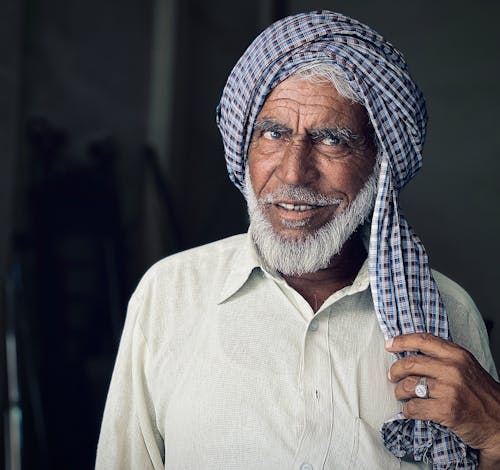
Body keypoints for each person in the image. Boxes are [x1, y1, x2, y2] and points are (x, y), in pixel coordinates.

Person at [95, 11, 500, 470]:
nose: (292, 173)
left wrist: (497, 433)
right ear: (243, 147)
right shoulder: (169, 293)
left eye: (331, 140)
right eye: (273, 133)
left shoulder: (446, 312)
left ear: (379, 164)